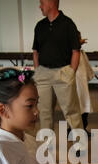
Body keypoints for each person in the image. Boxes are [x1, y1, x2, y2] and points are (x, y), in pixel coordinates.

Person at [32, 0, 84, 132]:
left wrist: (71, 72)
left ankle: (80, 146)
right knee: (44, 113)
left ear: (51, 3)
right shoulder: (39, 26)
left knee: (71, 112)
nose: (40, 6)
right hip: (43, 74)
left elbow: (75, 51)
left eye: (42, 3)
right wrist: (38, 71)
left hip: (63, 72)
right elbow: (35, 51)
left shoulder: (68, 24)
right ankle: (46, 147)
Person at [75, 31, 95, 134]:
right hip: (75, 84)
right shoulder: (71, 52)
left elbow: (87, 68)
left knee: (84, 107)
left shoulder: (81, 52)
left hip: (82, 84)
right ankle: (74, 129)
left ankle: (83, 128)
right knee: (76, 108)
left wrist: (89, 76)